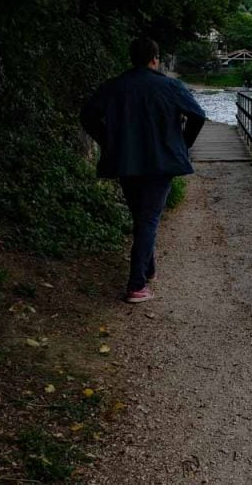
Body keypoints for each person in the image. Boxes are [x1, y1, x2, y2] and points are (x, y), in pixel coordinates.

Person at [80, 37, 206, 303]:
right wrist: (182, 144)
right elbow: (198, 115)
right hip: (161, 163)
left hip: (127, 162)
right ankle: (136, 285)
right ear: (155, 59)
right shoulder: (170, 86)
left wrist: (109, 141)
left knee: (141, 217)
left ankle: (147, 269)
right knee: (148, 220)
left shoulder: (114, 86)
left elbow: (88, 116)